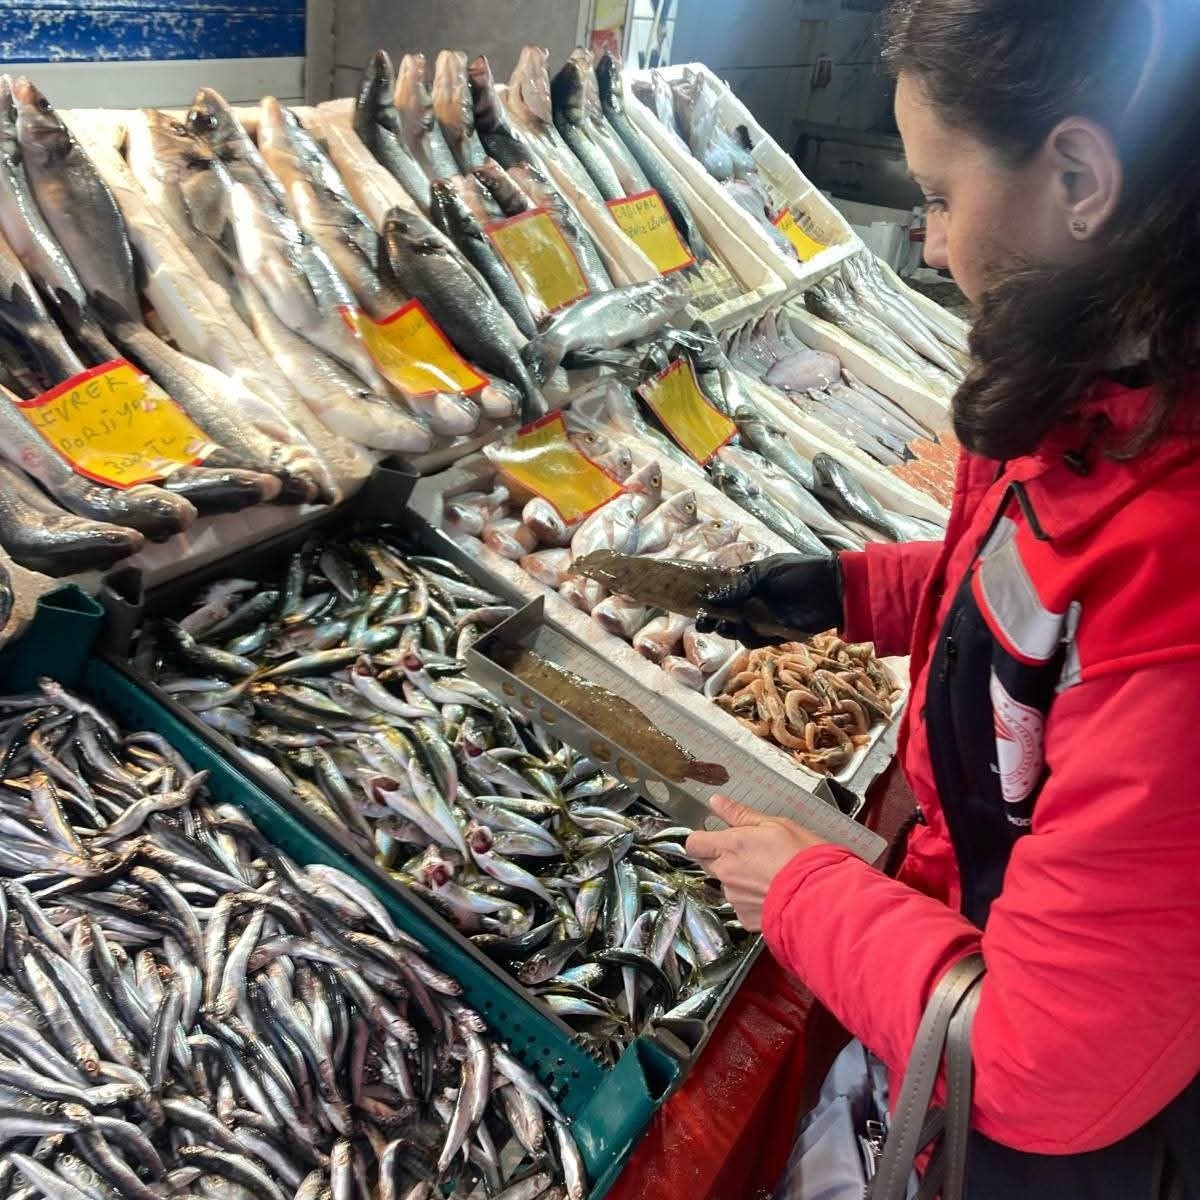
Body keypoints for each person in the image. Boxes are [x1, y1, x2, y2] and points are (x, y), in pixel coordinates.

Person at [687, 0, 1200, 1195]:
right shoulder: (1089, 382)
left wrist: (800, 886)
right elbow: (1040, 604)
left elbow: (1040, 1065)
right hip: (980, 919)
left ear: (1078, 175)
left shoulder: (1177, 572)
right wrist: (856, 590)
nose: (926, 244)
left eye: (938, 196)